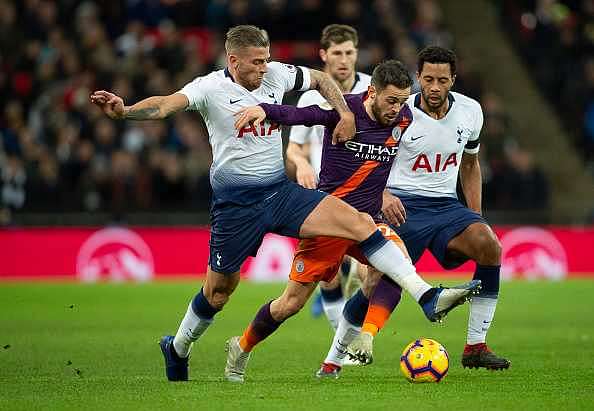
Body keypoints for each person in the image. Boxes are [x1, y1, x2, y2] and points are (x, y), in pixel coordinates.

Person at [225, 59, 481, 383]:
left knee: (391, 265)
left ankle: (348, 351)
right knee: (290, 304)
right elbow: (303, 115)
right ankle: (242, 346)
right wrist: (265, 109)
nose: (397, 109)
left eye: (402, 101)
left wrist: (387, 192)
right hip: (327, 221)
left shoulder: (402, 117)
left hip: (368, 220)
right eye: (391, 100)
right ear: (371, 91)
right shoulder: (344, 111)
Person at [348, 46, 510, 370]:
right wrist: (381, 195)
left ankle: (475, 347)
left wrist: (475, 216)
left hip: (447, 206)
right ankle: (352, 339)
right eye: (428, 79)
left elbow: (470, 164)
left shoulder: (471, 111)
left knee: (489, 246)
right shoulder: (399, 111)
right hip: (400, 203)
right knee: (382, 275)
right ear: (418, 77)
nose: (434, 87)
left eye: (442, 80)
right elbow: (368, 159)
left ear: (453, 79)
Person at [286, 24, 371, 332]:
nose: (344, 59)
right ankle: (342, 342)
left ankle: (355, 328)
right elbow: (293, 149)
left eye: (349, 52)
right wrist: (302, 165)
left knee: (368, 272)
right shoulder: (311, 97)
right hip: (326, 194)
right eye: (337, 53)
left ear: (357, 53)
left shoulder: (373, 89)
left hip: (366, 191)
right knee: (328, 274)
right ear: (324, 55)